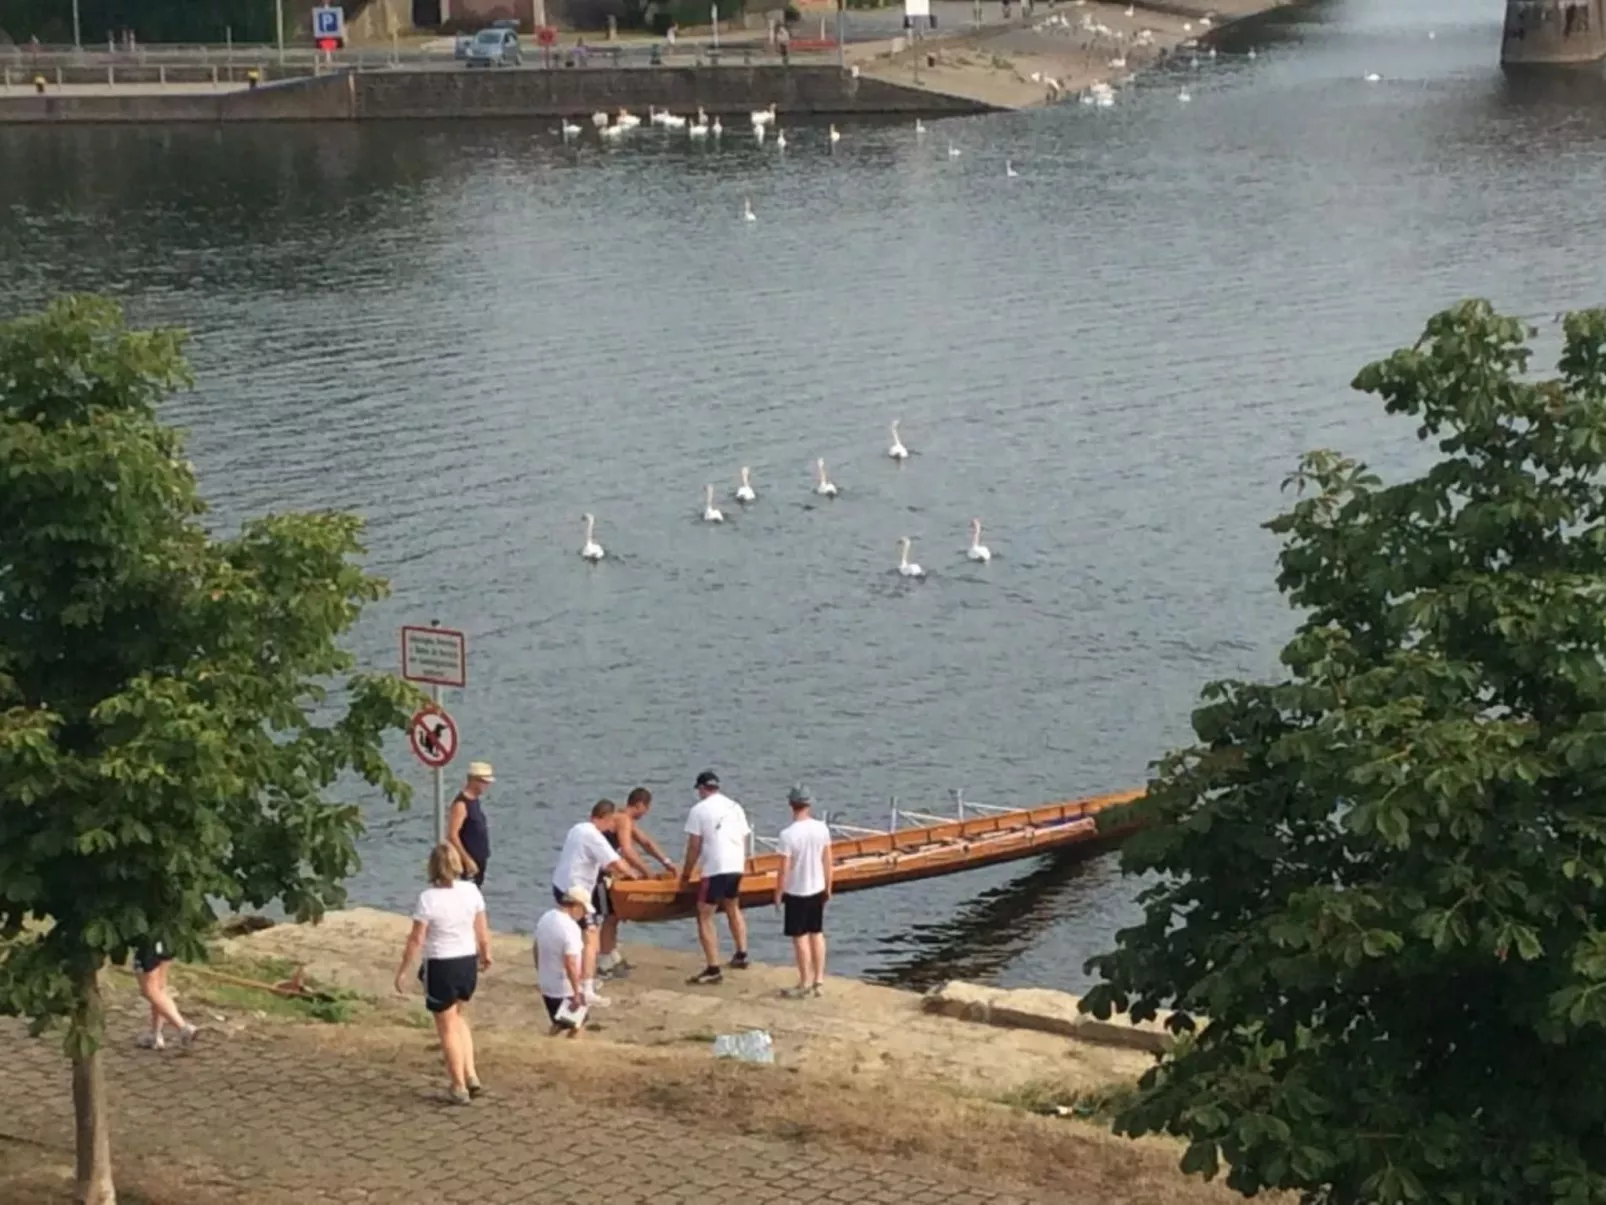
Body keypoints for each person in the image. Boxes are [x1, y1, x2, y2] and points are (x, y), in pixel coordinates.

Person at [393, 843, 492, 1106]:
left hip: (441, 964)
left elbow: (416, 939)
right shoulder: (471, 892)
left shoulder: (428, 898)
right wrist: (486, 953)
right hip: (466, 962)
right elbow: (482, 929)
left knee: (446, 1026)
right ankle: (471, 1074)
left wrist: (403, 970)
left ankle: (458, 1085)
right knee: (459, 1017)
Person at [551, 800, 635, 1006]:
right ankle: (586, 987)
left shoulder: (577, 828)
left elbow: (593, 860)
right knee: (591, 937)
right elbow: (615, 862)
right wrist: (634, 876)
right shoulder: (595, 836)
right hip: (576, 893)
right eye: (611, 823)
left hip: (559, 885)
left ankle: (567, 977)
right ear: (607, 818)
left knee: (569, 934)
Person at [679, 770, 752, 985]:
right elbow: (745, 837)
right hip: (736, 865)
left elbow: (694, 846)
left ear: (702, 789)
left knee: (704, 915)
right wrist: (743, 862)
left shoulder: (698, 810)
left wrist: (686, 872)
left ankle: (713, 967)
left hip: (715, 868)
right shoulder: (735, 806)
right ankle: (742, 953)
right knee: (732, 906)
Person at [598, 786, 678, 977]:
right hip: (599, 875)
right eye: (647, 808)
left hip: (609, 873)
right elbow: (627, 850)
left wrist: (667, 863)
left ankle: (612, 955)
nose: (647, 813)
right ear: (640, 805)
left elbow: (646, 843)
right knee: (610, 917)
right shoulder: (623, 819)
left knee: (615, 915)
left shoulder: (622, 818)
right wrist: (646, 872)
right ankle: (604, 962)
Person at [774, 785, 834, 998]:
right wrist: (829, 884)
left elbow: (784, 869)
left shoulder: (787, 835)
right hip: (817, 887)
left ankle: (804, 981)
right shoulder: (821, 828)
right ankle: (819, 979)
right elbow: (827, 859)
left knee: (799, 937)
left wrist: (778, 893)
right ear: (809, 804)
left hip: (797, 891)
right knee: (816, 933)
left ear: (791, 805)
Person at [534, 886, 592, 1035]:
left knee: (560, 1022)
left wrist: (540, 973)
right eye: (584, 910)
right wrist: (577, 992)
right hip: (564, 988)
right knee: (578, 1024)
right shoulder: (570, 928)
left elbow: (536, 947)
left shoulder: (546, 917)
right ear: (577, 906)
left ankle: (549, 1043)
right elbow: (570, 962)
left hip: (547, 985)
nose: (584, 915)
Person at [133, 941, 198, 1050]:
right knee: (159, 989)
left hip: (148, 945)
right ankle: (155, 1034)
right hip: (165, 940)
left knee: (150, 991)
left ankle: (183, 1027)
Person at [446, 761, 494, 887]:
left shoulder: (475, 801)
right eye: (483, 782)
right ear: (473, 780)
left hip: (479, 860)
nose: (486, 786)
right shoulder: (461, 804)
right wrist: (467, 860)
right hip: (467, 863)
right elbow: (452, 835)